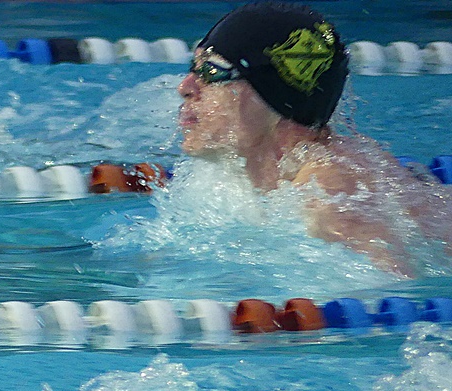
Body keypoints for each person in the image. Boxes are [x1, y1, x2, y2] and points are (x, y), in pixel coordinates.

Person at [177, 1, 451, 277]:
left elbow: (398, 301)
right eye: (193, 68)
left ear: (276, 97)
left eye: (211, 71)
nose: (185, 87)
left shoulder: (330, 199)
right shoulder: (233, 179)